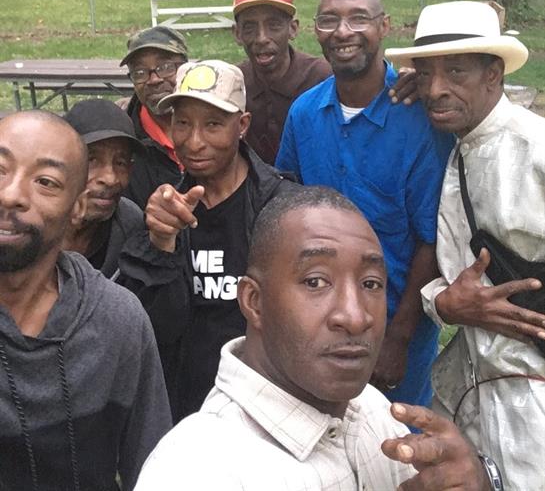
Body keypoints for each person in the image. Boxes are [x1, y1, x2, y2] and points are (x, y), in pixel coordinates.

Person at [135, 186, 498, 491]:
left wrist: (480, 482)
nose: (355, 316)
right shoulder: (196, 471)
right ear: (254, 302)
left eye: (371, 283)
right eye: (315, 281)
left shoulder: (371, 411)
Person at [385, 0, 545, 490]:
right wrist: (444, 304)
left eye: (455, 71)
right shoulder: (457, 145)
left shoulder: (534, 151)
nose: (435, 88)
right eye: (425, 73)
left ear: (493, 74)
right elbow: (452, 282)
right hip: (472, 399)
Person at [275, 0, 454, 407]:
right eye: (329, 20)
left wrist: (399, 338)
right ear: (316, 29)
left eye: (358, 18)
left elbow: (432, 239)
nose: (343, 32)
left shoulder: (419, 119)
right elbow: (286, 205)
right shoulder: (304, 113)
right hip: (318, 323)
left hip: (394, 326)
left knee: (397, 437)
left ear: (384, 25)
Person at [0, 110, 171, 491]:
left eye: (45, 182)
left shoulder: (118, 321)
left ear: (77, 205)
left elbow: (152, 464)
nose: (11, 194)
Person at [118, 59, 296, 422]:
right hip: (186, 408)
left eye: (213, 124)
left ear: (242, 125)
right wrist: (161, 243)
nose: (195, 141)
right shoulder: (165, 211)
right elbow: (158, 328)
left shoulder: (281, 208)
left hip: (264, 407)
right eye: (183, 123)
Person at [233, 0, 331, 164]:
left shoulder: (322, 77)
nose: (262, 38)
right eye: (250, 27)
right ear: (237, 33)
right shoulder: (233, 82)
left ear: (293, 29)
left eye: (274, 26)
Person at [62, 98, 145, 278]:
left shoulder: (129, 224)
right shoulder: (28, 220)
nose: (110, 178)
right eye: (92, 159)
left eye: (120, 162)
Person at [120, 25, 189, 209]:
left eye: (165, 67)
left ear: (186, 68)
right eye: (140, 72)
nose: (154, 79)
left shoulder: (213, 123)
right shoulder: (125, 142)